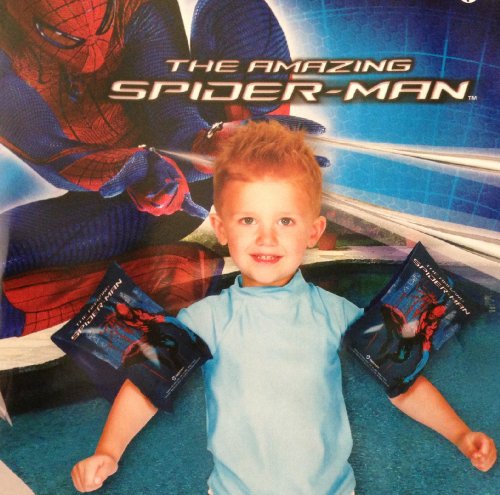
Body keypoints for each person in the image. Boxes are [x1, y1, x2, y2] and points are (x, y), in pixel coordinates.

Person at [71, 121, 497, 494]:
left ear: (313, 231)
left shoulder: (335, 314)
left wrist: (460, 434)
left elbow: (403, 384)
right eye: (248, 220)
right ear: (220, 227)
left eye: (285, 221)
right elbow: (145, 386)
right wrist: (108, 451)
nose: (267, 238)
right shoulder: (205, 320)